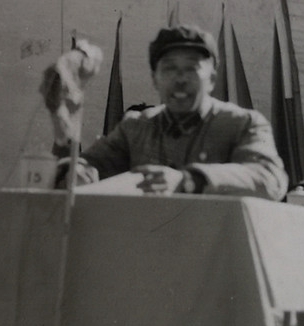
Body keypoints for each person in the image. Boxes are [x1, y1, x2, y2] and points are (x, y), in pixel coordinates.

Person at [50, 24, 288, 200]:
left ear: (212, 79)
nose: (180, 79)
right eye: (169, 69)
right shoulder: (136, 127)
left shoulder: (243, 124)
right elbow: (93, 163)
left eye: (191, 68)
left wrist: (189, 181)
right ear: (155, 79)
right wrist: (74, 173)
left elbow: (270, 179)